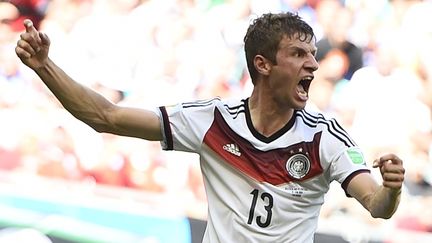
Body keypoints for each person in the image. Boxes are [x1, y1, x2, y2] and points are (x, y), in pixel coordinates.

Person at [15, 12, 405, 243]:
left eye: (313, 55)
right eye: (298, 54)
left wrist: (391, 188)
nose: (314, 65)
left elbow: (377, 207)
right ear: (262, 64)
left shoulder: (325, 138)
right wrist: (44, 66)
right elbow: (106, 117)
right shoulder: (212, 121)